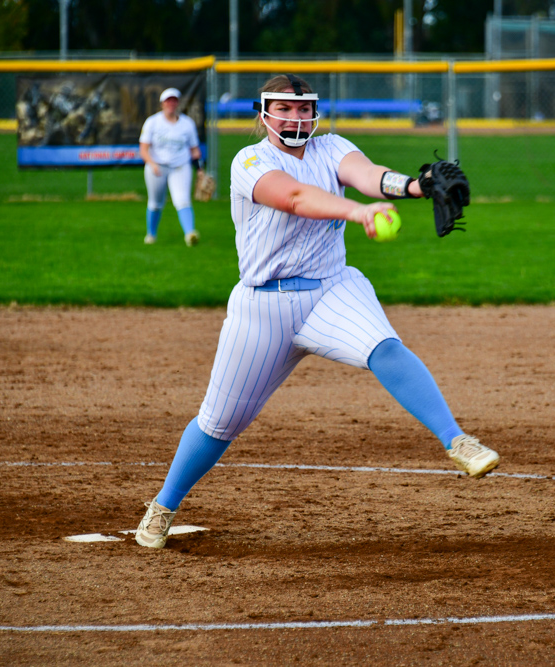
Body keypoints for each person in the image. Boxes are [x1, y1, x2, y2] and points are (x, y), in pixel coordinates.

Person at [135, 74, 500, 549]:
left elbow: (368, 175)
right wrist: (358, 212)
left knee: (383, 347)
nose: (296, 117)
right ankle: (163, 506)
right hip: (262, 309)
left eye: (303, 108)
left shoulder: (331, 148)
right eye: (285, 109)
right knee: (218, 424)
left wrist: (413, 186)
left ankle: (457, 440)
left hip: (331, 290)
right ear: (263, 113)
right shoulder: (251, 161)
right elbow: (294, 197)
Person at [139, 87, 203, 247]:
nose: (171, 104)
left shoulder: (187, 124)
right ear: (162, 103)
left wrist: (200, 170)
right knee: (155, 202)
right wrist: (152, 164)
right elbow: (144, 148)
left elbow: (194, 150)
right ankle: (151, 234)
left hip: (180, 166)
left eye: (174, 100)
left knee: (182, 200)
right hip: (157, 167)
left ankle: (190, 234)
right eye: (168, 101)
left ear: (178, 103)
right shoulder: (153, 122)